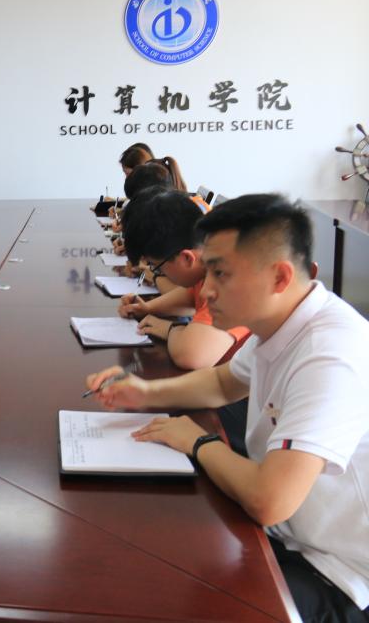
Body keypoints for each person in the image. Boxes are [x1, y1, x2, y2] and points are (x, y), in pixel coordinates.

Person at [86, 194, 369, 622]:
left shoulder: (330, 354)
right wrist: (144, 393)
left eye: (220, 273)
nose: (205, 290)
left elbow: (269, 500)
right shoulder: (284, 321)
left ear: (279, 276)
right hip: (291, 533)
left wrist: (198, 442)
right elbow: (222, 382)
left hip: (340, 573)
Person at [118, 189, 250, 370]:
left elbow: (192, 356)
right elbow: (190, 296)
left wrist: (169, 329)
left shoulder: (229, 279)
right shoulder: (209, 261)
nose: (156, 271)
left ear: (187, 258)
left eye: (157, 266)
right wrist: (148, 308)